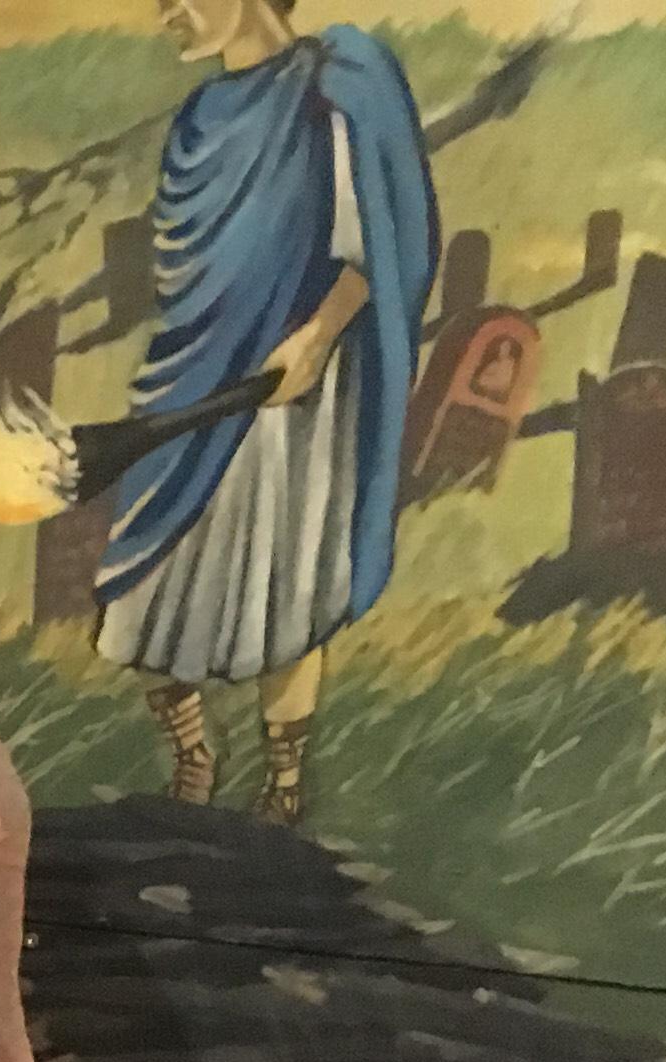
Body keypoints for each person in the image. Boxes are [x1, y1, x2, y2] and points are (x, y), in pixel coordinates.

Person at [94, 0, 436, 829]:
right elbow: (191, 263)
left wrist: (314, 340)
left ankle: (283, 785)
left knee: (282, 585)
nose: (169, 13)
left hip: (293, 386)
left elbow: (377, 239)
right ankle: (192, 757)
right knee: (141, 575)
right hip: (195, 376)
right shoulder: (198, 117)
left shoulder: (335, 87)